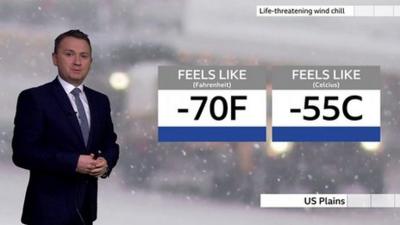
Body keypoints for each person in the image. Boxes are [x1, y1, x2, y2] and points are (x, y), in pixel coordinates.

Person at [12, 29, 119, 225]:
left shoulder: (100, 101)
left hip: (85, 213)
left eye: (84, 56)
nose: (77, 62)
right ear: (55, 58)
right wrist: (73, 162)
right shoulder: (34, 98)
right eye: (69, 54)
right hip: (46, 214)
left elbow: (110, 143)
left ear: (91, 62)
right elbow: (23, 153)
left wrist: (106, 163)